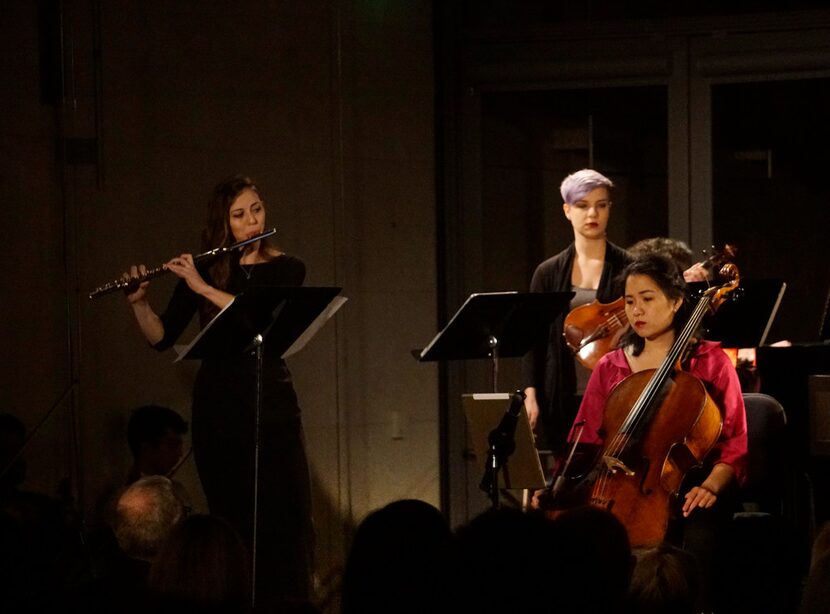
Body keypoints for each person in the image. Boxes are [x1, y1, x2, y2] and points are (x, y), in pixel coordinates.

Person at [123, 175, 314, 611]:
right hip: (218, 408)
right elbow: (162, 337)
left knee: (285, 520)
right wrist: (138, 304)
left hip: (270, 403)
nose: (252, 221)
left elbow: (255, 319)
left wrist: (201, 286)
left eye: (257, 210)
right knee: (231, 519)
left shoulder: (288, 267)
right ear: (223, 223)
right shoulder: (207, 267)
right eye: (239, 215)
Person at [564, 253, 748, 609]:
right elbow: (583, 438)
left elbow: (734, 445)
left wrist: (711, 486)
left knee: (698, 531)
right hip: (613, 486)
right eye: (630, 302)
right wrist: (563, 485)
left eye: (647, 299)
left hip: (688, 486)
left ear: (677, 301)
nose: (636, 312)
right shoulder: (611, 365)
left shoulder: (710, 363)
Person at [523, 169, 631, 452]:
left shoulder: (629, 267)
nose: (592, 213)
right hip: (561, 394)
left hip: (617, 393)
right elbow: (533, 338)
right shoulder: (547, 273)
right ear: (567, 210)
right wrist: (530, 392)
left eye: (601, 205)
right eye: (583, 206)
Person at [125, 405, 188, 485]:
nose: (180, 453)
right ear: (146, 445)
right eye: (172, 445)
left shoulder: (168, 488)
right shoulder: (131, 494)